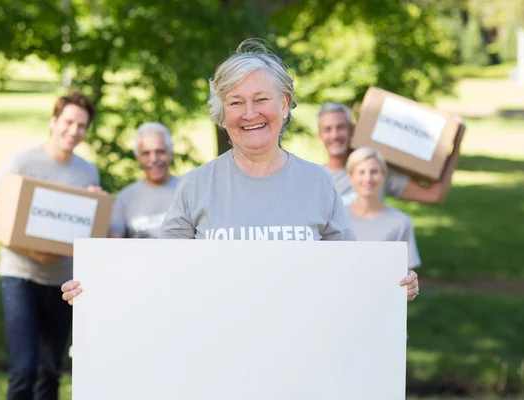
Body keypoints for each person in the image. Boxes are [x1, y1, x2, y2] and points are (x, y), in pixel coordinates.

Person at [62, 39, 419, 304]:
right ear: (222, 113)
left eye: (261, 99)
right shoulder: (194, 185)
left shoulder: (319, 184)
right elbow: (161, 275)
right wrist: (98, 287)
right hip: (217, 364)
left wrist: (392, 285)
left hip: (301, 364)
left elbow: (350, 276)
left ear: (283, 103)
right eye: (235, 102)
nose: (250, 114)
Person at [0, 90, 100, 400]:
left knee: (50, 373)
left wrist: (96, 208)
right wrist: (33, 252)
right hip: (21, 277)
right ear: (54, 120)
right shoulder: (22, 162)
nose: (74, 131)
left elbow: (90, 232)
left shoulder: (87, 172)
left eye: (81, 125)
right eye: (69, 122)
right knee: (24, 370)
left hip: (64, 282)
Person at [317, 102, 465, 206]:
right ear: (320, 135)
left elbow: (434, 196)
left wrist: (455, 145)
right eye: (328, 129)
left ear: (352, 129)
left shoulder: (376, 171)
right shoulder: (316, 178)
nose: (335, 135)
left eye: (340, 127)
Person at [345, 147, 421, 269]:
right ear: (350, 177)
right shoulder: (338, 219)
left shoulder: (401, 223)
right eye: (361, 172)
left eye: (374, 172)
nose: (368, 179)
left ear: (383, 176)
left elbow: (407, 275)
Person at [109, 122, 179, 238]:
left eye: (160, 151)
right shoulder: (124, 197)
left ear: (171, 154)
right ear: (138, 157)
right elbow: (113, 242)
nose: (153, 159)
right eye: (146, 153)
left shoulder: (187, 191)